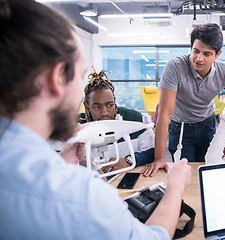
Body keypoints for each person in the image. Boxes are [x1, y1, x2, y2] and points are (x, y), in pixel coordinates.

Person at [0, 1, 191, 239]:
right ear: (57, 79)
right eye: (79, 77)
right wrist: (175, 187)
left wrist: (61, 161)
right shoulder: (80, 195)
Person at [142, 23, 225, 177]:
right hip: (180, 127)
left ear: (217, 54)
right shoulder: (175, 67)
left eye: (207, 54)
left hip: (208, 125)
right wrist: (159, 158)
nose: (199, 58)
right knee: (184, 175)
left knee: (208, 173)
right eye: (196, 51)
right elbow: (165, 113)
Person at [81, 68, 155, 172]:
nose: (105, 112)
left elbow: (153, 151)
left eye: (109, 105)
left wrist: (129, 160)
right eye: (97, 107)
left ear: (114, 101)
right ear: (87, 106)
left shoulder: (133, 119)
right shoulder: (77, 126)